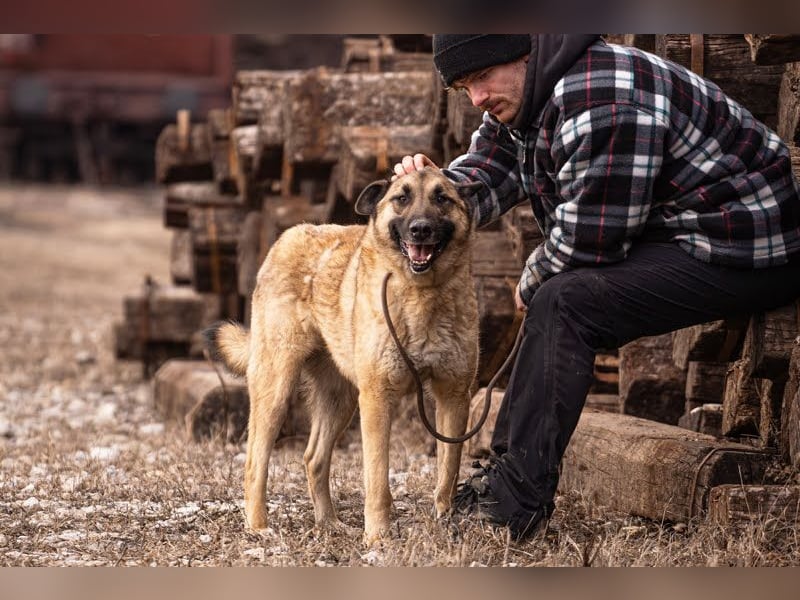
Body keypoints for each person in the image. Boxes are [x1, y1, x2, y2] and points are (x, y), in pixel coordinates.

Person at [393, 34, 800, 541]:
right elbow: (485, 175)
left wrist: (530, 278)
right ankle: (506, 477)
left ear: (522, 52)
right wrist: (427, 193)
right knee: (557, 296)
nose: (476, 98)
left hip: (749, 244)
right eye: (463, 87)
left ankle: (512, 506)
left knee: (565, 302)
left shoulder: (601, 95)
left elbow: (590, 242)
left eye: (480, 78)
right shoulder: (527, 93)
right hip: (683, 228)